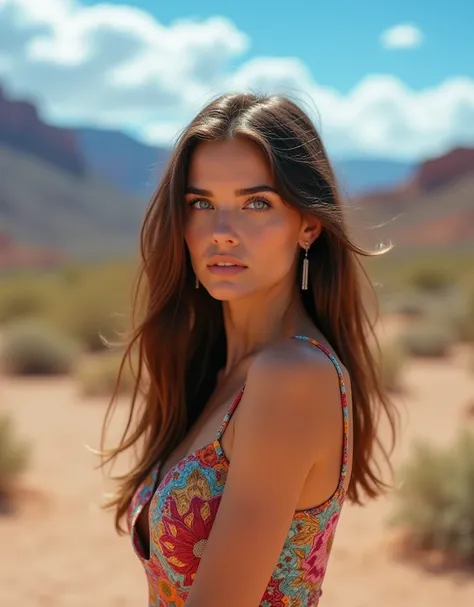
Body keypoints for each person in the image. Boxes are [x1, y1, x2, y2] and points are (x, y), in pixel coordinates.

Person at [100, 92, 396, 607]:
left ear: (308, 225)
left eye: (256, 203)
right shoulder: (220, 369)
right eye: (201, 204)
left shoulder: (292, 377)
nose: (221, 233)